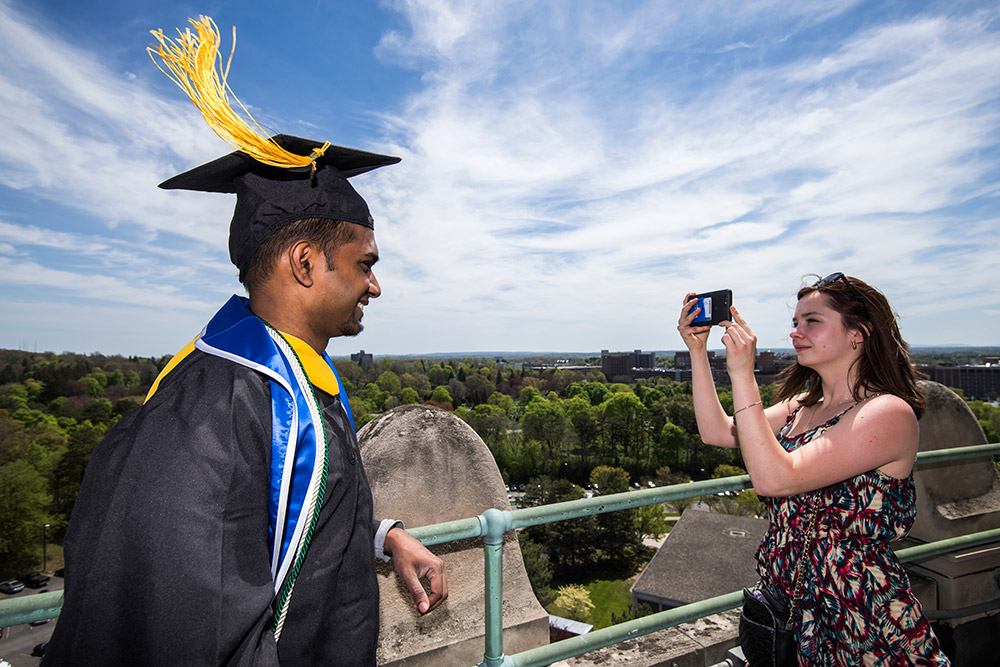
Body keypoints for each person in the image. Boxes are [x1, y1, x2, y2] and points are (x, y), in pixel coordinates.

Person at [44, 18, 445, 667]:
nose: (376, 286)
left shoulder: (286, 378)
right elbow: (187, 628)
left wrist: (379, 535)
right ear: (307, 263)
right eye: (365, 263)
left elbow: (253, 524)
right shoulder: (210, 408)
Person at [677, 274, 949, 666]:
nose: (795, 332)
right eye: (795, 322)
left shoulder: (887, 413)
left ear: (859, 333)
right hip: (792, 602)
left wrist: (742, 375)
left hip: (856, 612)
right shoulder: (803, 405)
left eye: (812, 321)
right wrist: (697, 352)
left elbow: (776, 479)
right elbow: (718, 432)